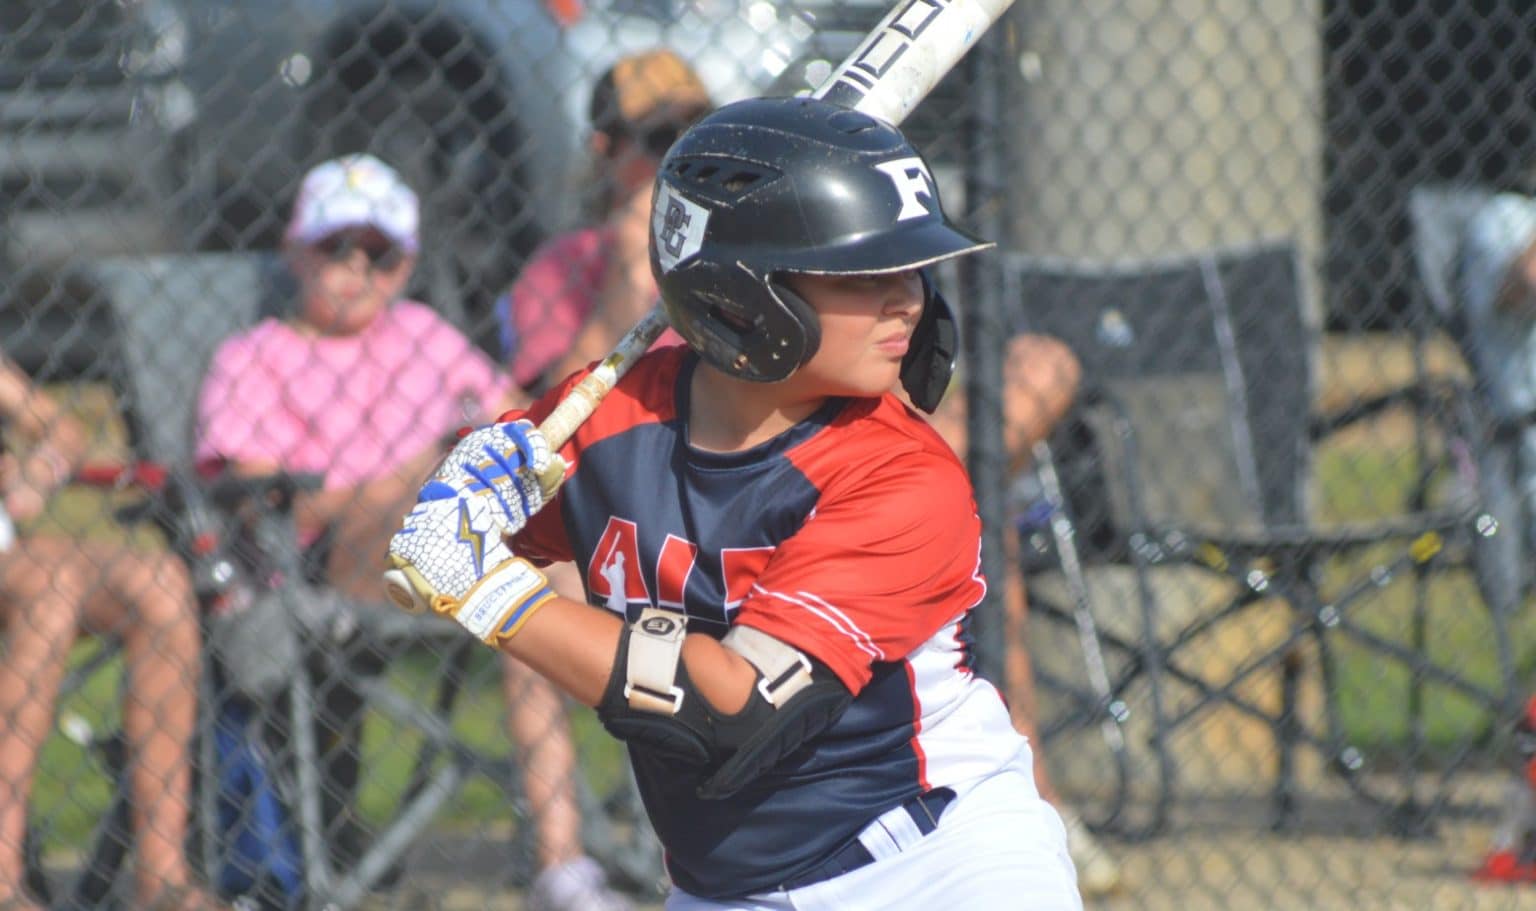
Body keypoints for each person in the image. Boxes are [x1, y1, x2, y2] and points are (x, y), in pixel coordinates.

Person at [385, 96, 1083, 909]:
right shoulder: (611, 417)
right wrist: (455, 490)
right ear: (741, 292)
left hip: (935, 860)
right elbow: (437, 542)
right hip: (727, 887)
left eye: (910, 269)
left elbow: (731, 712)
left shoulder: (904, 477)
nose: (909, 300)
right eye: (865, 275)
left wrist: (494, 595)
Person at [194, 153, 627, 910]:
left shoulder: (422, 334)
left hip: (484, 557)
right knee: (460, 511)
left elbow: (517, 425)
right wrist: (425, 465)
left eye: (381, 253)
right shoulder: (255, 357)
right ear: (296, 250)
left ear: (408, 264)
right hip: (336, 565)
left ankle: (562, 863)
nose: (358, 268)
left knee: (526, 589)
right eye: (337, 248)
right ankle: (613, 636)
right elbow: (282, 512)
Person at [492, 49, 712, 911]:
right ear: (605, 149)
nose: (675, 158)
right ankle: (563, 868)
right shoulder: (565, 263)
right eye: (657, 139)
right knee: (535, 586)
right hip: (602, 505)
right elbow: (546, 419)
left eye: (693, 134)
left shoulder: (733, 257)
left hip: (711, 497)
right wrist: (629, 279)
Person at [0, 354, 228, 911]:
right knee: (50, 589)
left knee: (158, 582)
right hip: (30, 575)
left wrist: (40, 467)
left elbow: (61, 428)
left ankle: (163, 877)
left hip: (11, 559)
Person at [918, 338, 1125, 897]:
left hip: (938, 413)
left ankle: (912, 470)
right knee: (970, 497)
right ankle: (1034, 794)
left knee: (1047, 363)